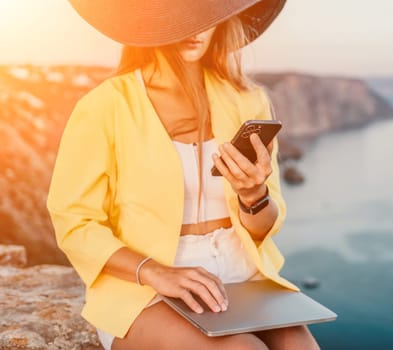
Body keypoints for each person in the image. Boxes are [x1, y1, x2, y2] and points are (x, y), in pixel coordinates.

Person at [47, 0, 319, 349]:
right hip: (144, 288)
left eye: (206, 15)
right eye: (182, 16)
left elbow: (264, 227)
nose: (196, 29)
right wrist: (156, 272)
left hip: (243, 275)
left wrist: (254, 195)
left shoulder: (248, 101)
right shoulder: (104, 106)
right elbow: (74, 223)